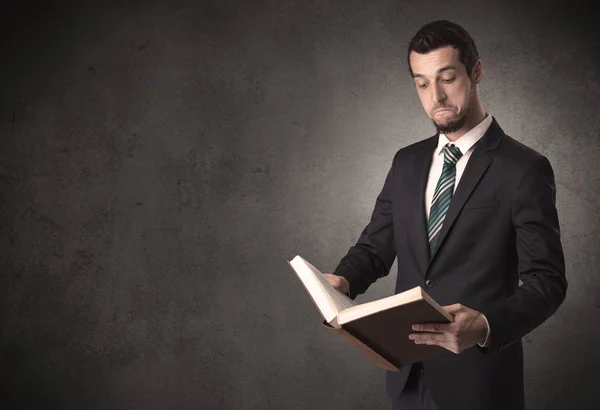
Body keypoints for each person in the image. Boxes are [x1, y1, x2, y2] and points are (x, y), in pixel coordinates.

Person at [323, 20, 567, 410]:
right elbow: (375, 247)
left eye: (446, 78)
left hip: (481, 386)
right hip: (406, 380)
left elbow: (547, 282)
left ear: (476, 72)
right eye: (421, 83)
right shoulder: (406, 162)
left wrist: (486, 326)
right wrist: (343, 279)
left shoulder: (524, 169)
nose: (435, 96)